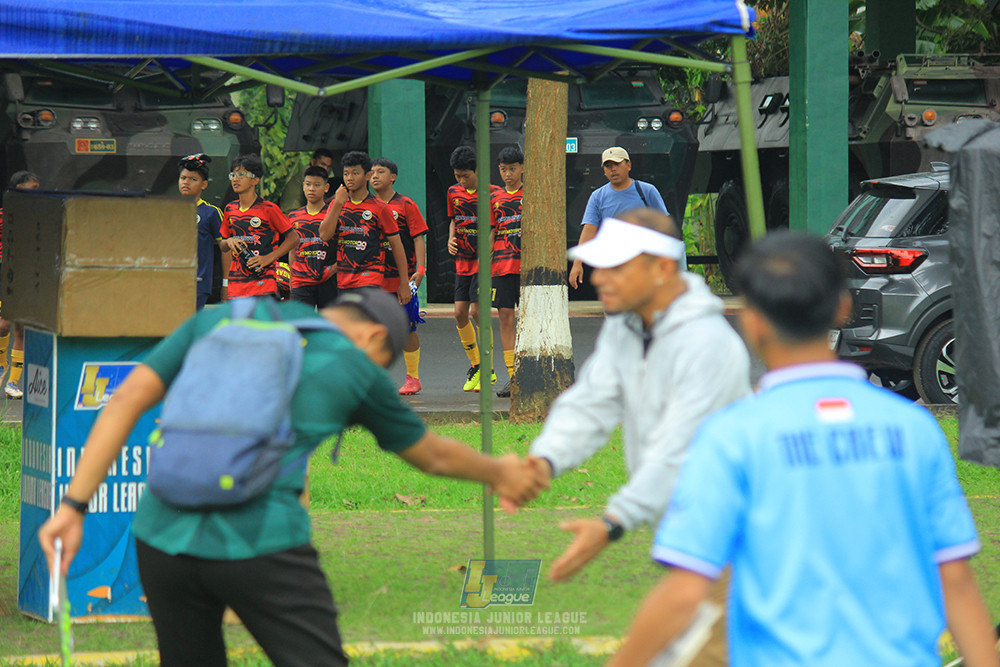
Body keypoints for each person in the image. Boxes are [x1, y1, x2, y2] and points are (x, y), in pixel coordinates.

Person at [38, 288, 549, 667]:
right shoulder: (352, 362)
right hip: (261, 542)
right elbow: (432, 456)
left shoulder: (218, 319)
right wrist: (500, 470)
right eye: (385, 360)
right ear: (372, 337)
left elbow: (125, 399)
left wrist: (73, 507)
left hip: (159, 537)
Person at [608, 232, 997, 667]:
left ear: (751, 321)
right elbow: (956, 579)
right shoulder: (914, 429)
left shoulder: (731, 436)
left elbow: (684, 591)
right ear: (843, 307)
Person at [529, 208, 750, 666]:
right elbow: (592, 400)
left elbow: (678, 451)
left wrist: (612, 524)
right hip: (687, 540)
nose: (598, 277)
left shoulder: (708, 344)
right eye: (598, 264)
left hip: (738, 545)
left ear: (663, 267)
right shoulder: (626, 326)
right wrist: (543, 461)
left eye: (617, 266)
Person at [568, 147, 672, 289]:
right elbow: (589, 230)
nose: (613, 170)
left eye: (617, 164)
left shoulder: (647, 191)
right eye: (608, 166)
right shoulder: (598, 197)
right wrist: (577, 263)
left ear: (628, 165)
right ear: (604, 171)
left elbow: (664, 226)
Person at [319, 152, 411, 306]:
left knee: (365, 321)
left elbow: (397, 245)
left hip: (370, 276)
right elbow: (324, 235)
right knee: (349, 327)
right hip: (344, 278)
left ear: (367, 176)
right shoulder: (337, 204)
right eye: (346, 173)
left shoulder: (380, 207)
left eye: (355, 173)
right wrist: (337, 204)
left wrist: (404, 283)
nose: (349, 178)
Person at [371, 157, 429, 395]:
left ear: (392, 177)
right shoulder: (366, 206)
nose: (374, 176)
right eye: (372, 172)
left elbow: (418, 238)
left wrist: (421, 269)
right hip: (372, 277)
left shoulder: (405, 205)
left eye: (381, 172)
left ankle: (413, 378)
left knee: (406, 328)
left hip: (401, 278)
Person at [446, 145, 502, 392]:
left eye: (466, 176)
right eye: (457, 176)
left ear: (478, 170)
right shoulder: (453, 192)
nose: (461, 180)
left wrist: (490, 247)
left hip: (483, 262)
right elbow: (453, 219)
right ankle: (477, 365)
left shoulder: (493, 193)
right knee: (459, 313)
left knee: (479, 312)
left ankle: (489, 369)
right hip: (462, 261)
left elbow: (495, 226)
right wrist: (451, 238)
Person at [218, 154, 299, 300]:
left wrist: (268, 258)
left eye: (242, 174)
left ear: (255, 180)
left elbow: (294, 238)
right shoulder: (230, 209)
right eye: (233, 175)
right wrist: (229, 241)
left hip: (264, 284)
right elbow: (223, 246)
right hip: (237, 286)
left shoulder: (269, 209)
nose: (236, 179)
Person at [0, 170, 39, 398]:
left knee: (21, 328)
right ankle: (2, 364)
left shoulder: (40, 218)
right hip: (6, 275)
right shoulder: (5, 216)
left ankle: (13, 383)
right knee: (4, 324)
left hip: (26, 275)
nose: (37, 193)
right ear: (18, 188)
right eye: (33, 188)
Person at [489, 145, 524, 399]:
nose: (508, 174)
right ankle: (512, 377)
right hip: (501, 266)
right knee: (505, 318)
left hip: (526, 267)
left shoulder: (531, 193)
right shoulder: (495, 198)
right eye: (504, 169)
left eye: (512, 169)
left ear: (522, 168)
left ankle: (528, 372)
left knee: (528, 320)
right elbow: (492, 230)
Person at [177, 153, 224, 311]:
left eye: (193, 179)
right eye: (183, 178)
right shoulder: (170, 210)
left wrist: (226, 283)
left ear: (204, 185)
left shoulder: (211, 212)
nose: (186, 182)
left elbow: (226, 248)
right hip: (172, 281)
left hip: (198, 282)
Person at [288, 165, 337, 308]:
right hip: (301, 281)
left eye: (317, 185)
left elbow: (343, 247)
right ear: (303, 186)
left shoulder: (333, 215)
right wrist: (292, 278)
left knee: (329, 324)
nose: (311, 189)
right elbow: (292, 250)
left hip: (329, 279)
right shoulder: (293, 216)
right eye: (308, 184)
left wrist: (333, 269)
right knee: (301, 324)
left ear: (326, 188)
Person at [279, 148, 334, 213]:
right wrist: (333, 198)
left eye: (329, 167)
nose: (326, 169)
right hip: (291, 214)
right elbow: (315, 203)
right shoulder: (309, 174)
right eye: (323, 164)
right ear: (313, 162)